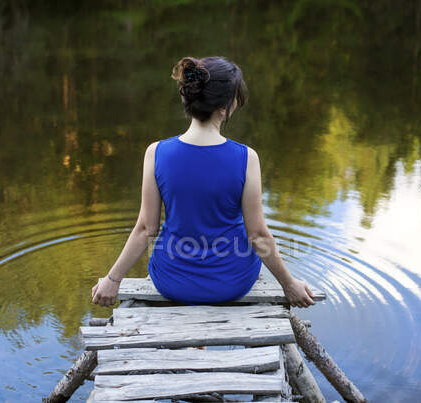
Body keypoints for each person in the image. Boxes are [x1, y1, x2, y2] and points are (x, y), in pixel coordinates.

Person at [91, 56, 315, 307]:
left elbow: (146, 229)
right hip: (232, 282)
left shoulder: (156, 152)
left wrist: (113, 278)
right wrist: (289, 284)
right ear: (224, 107)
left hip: (171, 281)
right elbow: (258, 234)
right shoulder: (246, 158)